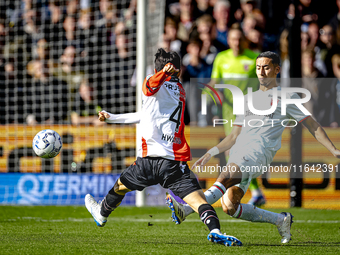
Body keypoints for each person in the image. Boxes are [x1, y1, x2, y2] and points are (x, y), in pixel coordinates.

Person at [166, 51, 340, 244]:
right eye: (258, 68)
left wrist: (333, 150)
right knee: (230, 206)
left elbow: (312, 125)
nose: (261, 72)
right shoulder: (248, 98)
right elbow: (233, 135)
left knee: (223, 178)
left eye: (266, 67)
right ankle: (281, 220)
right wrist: (212, 152)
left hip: (259, 153)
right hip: (239, 151)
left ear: (276, 69)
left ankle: (186, 209)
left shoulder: (287, 97)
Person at [84, 48, 242, 247]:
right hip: (173, 163)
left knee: (119, 187)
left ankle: (101, 213)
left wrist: (162, 73)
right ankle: (216, 230)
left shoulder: (154, 82)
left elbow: (149, 86)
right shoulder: (180, 90)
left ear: (157, 68)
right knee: (198, 200)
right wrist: (112, 117)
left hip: (148, 160)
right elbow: (145, 114)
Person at [210, 25, 265, 205]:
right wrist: (210, 100)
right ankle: (254, 192)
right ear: (228, 40)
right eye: (233, 39)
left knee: (239, 153)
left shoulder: (253, 58)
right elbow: (215, 82)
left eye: (239, 39)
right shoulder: (221, 58)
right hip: (229, 113)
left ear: (244, 40)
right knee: (233, 154)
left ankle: (239, 192)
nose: (236, 43)